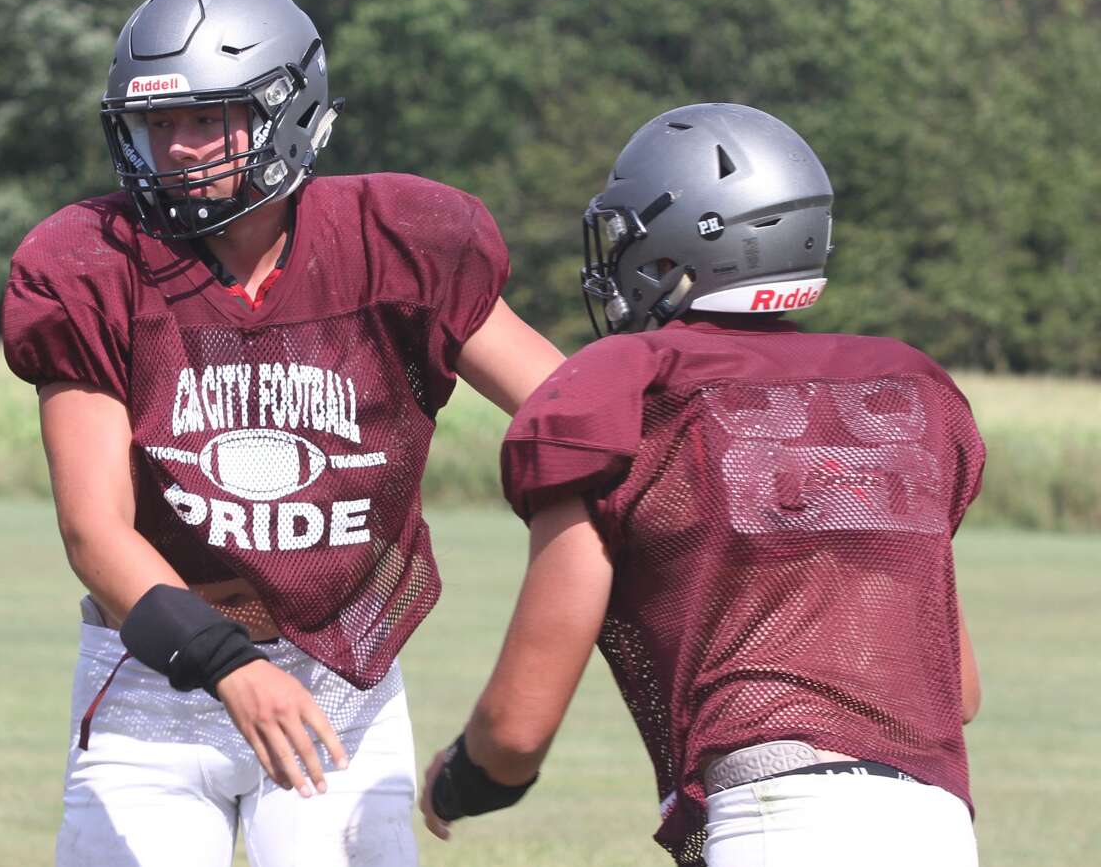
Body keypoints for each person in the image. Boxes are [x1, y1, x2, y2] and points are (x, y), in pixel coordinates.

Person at [1, 0, 562, 867]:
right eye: (156, 123)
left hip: (340, 677)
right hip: (154, 678)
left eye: (202, 118)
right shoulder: (89, 264)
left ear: (287, 110)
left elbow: (576, 416)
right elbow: (93, 530)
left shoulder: (399, 241)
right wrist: (225, 664)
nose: (175, 149)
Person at [420, 103, 983, 867]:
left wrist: (461, 781)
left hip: (778, 820)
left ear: (677, 244)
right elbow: (960, 691)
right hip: (936, 826)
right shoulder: (907, 385)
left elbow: (517, 730)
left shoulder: (628, 389)